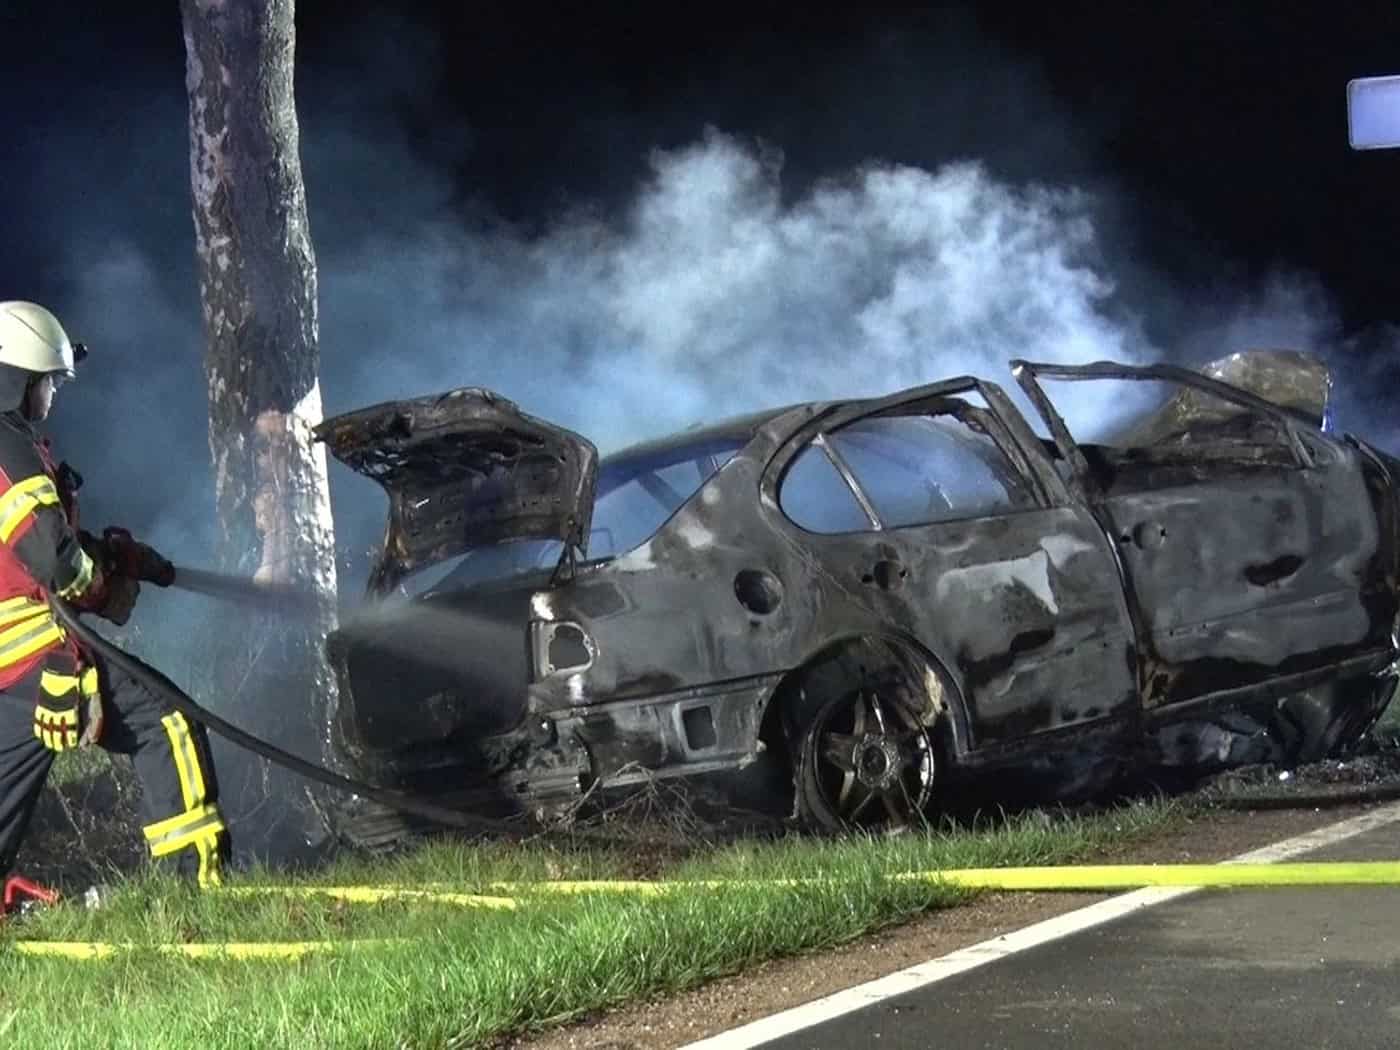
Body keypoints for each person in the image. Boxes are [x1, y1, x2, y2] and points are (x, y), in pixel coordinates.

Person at [0, 300, 227, 890]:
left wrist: (115, 556)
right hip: (31, 655)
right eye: (49, 382)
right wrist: (98, 592)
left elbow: (29, 553)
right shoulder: (7, 443)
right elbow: (54, 564)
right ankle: (195, 890)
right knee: (166, 718)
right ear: (22, 381)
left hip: (8, 669)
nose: (52, 395)